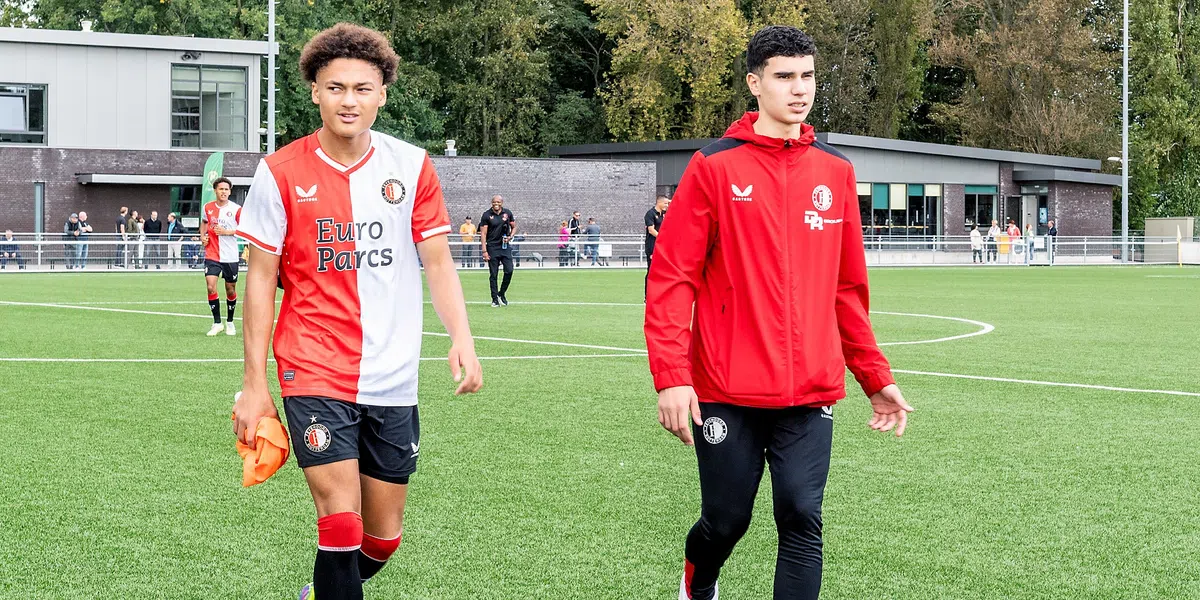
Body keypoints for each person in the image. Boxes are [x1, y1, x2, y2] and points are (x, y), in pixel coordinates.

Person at [644, 26, 912, 600]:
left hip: (811, 390)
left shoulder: (835, 173)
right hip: (725, 388)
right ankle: (700, 580)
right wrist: (672, 377)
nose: (799, 89)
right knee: (726, 521)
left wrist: (875, 378)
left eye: (807, 76)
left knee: (801, 516)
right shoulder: (713, 166)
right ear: (754, 83)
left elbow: (847, 291)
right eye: (784, 76)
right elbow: (672, 279)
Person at [231, 23, 483, 600]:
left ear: (382, 94)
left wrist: (462, 337)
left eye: (362, 88)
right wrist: (254, 384)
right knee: (340, 526)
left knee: (382, 539)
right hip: (313, 366)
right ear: (315, 92)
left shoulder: (413, 166)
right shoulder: (280, 172)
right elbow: (261, 278)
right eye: (336, 87)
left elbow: (438, 261)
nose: (349, 100)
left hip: (393, 374)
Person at [201, 177, 242, 336]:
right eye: (221, 189)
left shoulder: (237, 209)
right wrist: (202, 237)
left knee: (230, 289)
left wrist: (227, 232)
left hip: (230, 256)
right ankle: (217, 323)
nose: (223, 192)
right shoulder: (208, 207)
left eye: (226, 189)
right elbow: (204, 223)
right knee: (211, 286)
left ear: (230, 192)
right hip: (212, 254)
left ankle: (230, 322)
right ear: (215, 190)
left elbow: (245, 229)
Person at [480, 194, 517, 307]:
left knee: (509, 270)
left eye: (498, 202)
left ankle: (501, 293)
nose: (496, 204)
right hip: (492, 247)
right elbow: (483, 233)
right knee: (494, 274)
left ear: (502, 203)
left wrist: (510, 236)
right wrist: (484, 251)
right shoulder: (487, 215)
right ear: (492, 203)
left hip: (505, 246)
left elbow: (514, 227)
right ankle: (494, 299)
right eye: (494, 202)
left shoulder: (507, 213)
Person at [645, 195, 668, 297]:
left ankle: (660, 292)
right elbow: (651, 230)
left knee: (663, 269)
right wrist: (662, 238)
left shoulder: (664, 214)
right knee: (651, 270)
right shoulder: (650, 214)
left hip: (662, 246)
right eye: (665, 203)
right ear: (659, 203)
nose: (667, 205)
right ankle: (648, 294)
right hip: (652, 246)